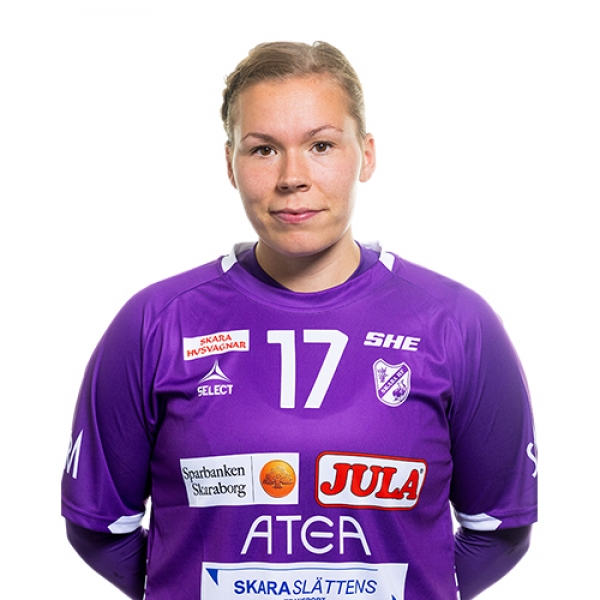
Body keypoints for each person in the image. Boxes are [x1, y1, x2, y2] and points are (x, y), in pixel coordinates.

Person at [62, 41, 537, 599]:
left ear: (366, 154)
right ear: (231, 164)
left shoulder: (455, 323)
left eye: (321, 145)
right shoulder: (157, 322)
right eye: (264, 150)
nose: (293, 176)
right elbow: (100, 528)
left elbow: (498, 530)